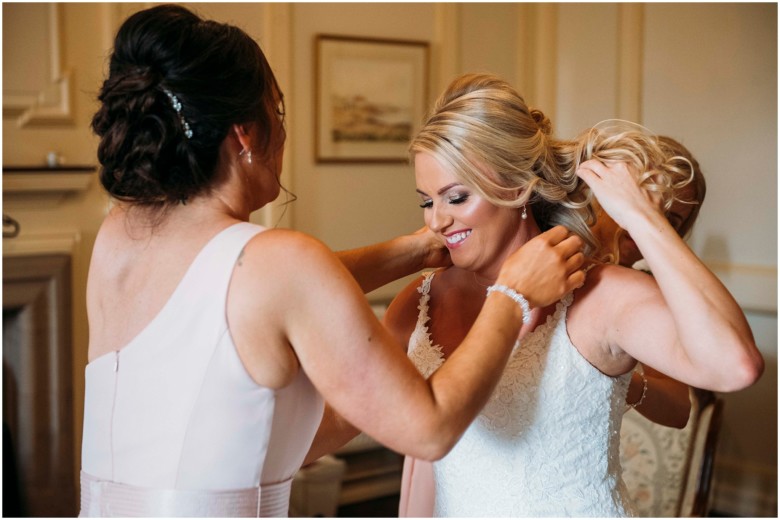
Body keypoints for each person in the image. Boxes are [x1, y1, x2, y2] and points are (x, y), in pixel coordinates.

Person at [80, 7, 586, 517]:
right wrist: (513, 294)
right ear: (244, 136)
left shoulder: (119, 237)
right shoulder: (278, 261)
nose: (282, 133)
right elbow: (429, 430)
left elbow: (228, 293)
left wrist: (413, 250)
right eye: (276, 114)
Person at [307, 73, 763, 517]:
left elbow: (734, 365)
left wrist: (641, 215)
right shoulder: (419, 304)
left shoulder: (600, 295)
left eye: (457, 197)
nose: (436, 221)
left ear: (519, 186)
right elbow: (335, 425)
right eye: (428, 201)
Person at [592, 135, 708, 430]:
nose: (650, 221)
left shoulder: (651, 295)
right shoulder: (543, 249)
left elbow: (678, 409)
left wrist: (613, 376)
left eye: (671, 219)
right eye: (645, 200)